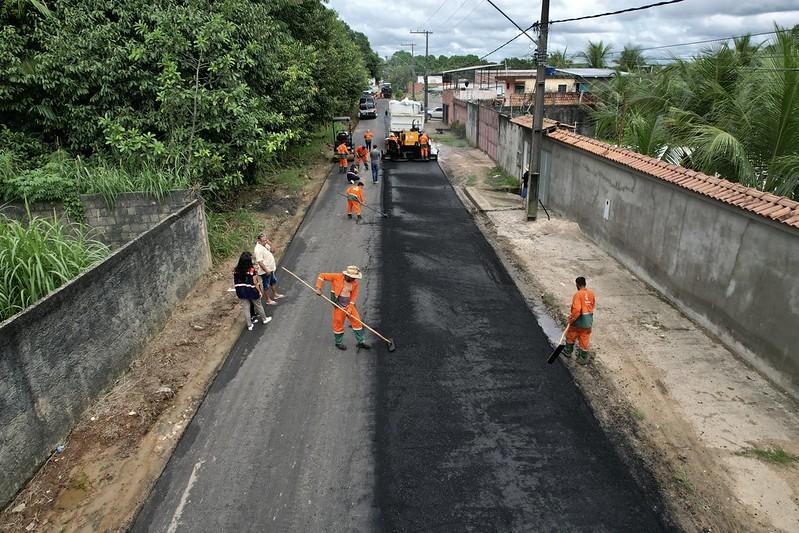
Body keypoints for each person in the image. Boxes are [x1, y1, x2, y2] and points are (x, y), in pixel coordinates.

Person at [314, 265, 370, 351]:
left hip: (349, 305)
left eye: (354, 278)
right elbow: (322, 275)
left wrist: (350, 308)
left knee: (357, 323)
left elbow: (354, 296)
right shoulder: (337, 277)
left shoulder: (354, 283)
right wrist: (318, 288)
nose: (353, 279)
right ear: (347, 275)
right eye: (352, 278)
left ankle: (361, 342)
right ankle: (338, 343)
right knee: (338, 324)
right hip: (339, 306)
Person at [233, 252, 272, 331]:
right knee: (258, 305)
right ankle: (264, 319)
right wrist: (259, 291)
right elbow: (255, 282)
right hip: (251, 290)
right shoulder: (251, 270)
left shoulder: (235, 270)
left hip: (240, 291)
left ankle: (249, 325)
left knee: (246, 308)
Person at [563, 276, 596, 364]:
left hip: (579, 321)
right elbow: (592, 306)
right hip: (588, 321)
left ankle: (568, 352)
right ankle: (582, 358)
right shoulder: (591, 293)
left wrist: (571, 319)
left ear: (577, 285)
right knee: (584, 339)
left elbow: (577, 310)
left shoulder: (578, 294)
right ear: (585, 283)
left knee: (571, 335)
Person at [254, 233, 284, 304]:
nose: (265, 242)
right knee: (266, 285)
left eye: (266, 240)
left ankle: (275, 294)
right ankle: (268, 300)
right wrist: (266, 270)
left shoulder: (265, 245)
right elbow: (260, 261)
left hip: (270, 268)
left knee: (273, 281)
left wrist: (269, 243)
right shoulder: (258, 249)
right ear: (258, 240)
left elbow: (274, 250)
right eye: (263, 241)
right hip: (265, 271)